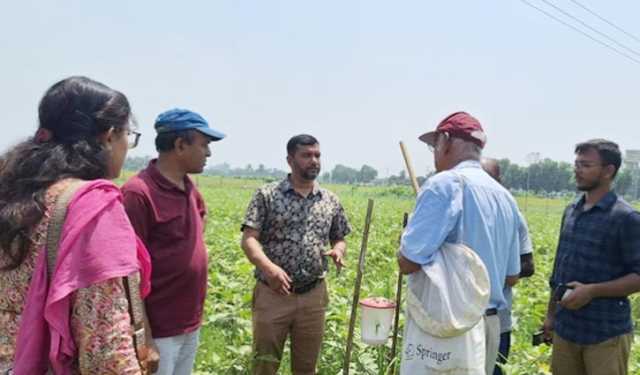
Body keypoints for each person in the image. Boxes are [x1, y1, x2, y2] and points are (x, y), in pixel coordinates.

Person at [0, 76, 154, 374]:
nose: (127, 146)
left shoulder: (12, 195)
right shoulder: (92, 209)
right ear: (109, 136)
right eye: (128, 135)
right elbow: (105, 344)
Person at [397, 112, 523, 375]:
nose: (434, 152)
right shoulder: (504, 197)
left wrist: (407, 236)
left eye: (434, 145)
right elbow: (512, 274)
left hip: (448, 328)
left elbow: (408, 262)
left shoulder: (445, 184)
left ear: (445, 140)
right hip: (489, 326)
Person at [121, 108, 225, 375]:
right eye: (204, 145)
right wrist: (144, 335)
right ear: (180, 145)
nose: (209, 153)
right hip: (159, 328)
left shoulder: (189, 187)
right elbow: (128, 274)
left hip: (189, 322)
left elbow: (200, 220)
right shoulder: (139, 193)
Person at [240, 134, 351, 374]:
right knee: (264, 365)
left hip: (313, 294)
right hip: (273, 293)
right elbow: (249, 239)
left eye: (317, 155)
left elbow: (339, 236)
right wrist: (269, 269)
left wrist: (339, 250)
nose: (314, 161)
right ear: (290, 160)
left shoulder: (329, 200)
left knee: (306, 368)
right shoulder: (268, 195)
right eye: (306, 155)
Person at [543, 139, 640, 375]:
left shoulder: (625, 218)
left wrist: (592, 291)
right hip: (567, 330)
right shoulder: (571, 211)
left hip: (605, 333)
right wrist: (550, 315)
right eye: (576, 164)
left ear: (608, 171)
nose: (577, 170)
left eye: (585, 165)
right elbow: (559, 270)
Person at [481, 158, 535, 375]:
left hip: (497, 315)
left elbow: (527, 265)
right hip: (462, 315)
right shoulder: (462, 211)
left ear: (499, 181)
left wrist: (486, 278)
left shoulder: (511, 213)